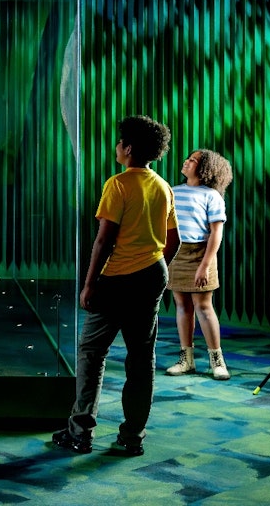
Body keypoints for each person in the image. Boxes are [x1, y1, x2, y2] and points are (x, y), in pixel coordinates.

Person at [52, 115, 179, 457]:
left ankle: (80, 433)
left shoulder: (119, 184)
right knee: (142, 359)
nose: (116, 147)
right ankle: (133, 436)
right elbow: (173, 239)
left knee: (92, 355)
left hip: (117, 279)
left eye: (120, 142)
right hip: (153, 274)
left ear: (129, 149)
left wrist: (89, 284)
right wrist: (156, 264)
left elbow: (104, 241)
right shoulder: (163, 186)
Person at [165, 149, 234, 380]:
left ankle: (217, 360)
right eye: (188, 158)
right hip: (177, 253)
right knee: (182, 306)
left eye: (193, 160)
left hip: (201, 254)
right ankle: (187, 360)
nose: (187, 161)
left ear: (204, 169)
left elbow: (216, 233)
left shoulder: (212, 196)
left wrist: (205, 265)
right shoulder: (173, 191)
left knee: (203, 307)